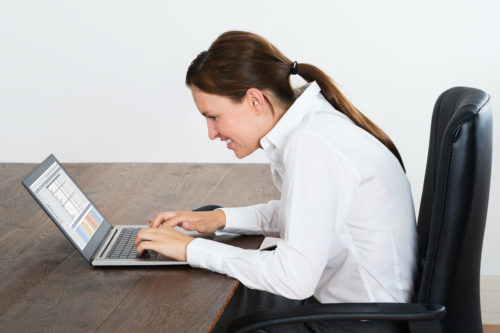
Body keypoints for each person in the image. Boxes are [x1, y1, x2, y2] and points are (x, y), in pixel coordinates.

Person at [134, 31, 417, 332]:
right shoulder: (316, 124)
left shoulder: (311, 145)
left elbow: (295, 279)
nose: (211, 133)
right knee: (218, 286)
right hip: (369, 310)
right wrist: (219, 218)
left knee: (201, 307)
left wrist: (190, 250)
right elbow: (306, 214)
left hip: (360, 323)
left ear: (254, 100)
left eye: (213, 117)